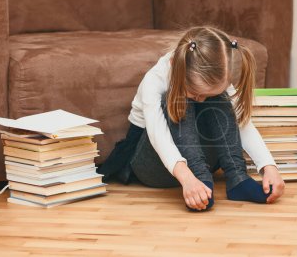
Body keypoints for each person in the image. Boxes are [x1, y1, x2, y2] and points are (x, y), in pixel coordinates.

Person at [98, 26, 285, 211]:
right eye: (196, 93)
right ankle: (200, 179)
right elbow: (158, 137)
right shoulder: (154, 80)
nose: (201, 99)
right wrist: (188, 179)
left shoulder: (214, 78)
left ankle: (237, 178)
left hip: (198, 155)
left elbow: (242, 123)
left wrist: (268, 166)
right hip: (153, 165)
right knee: (176, 97)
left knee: (220, 97)